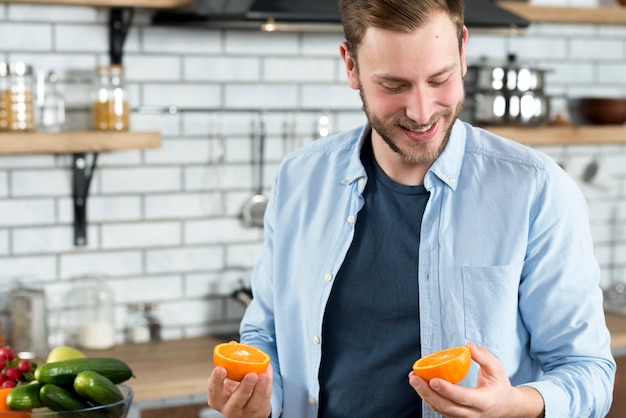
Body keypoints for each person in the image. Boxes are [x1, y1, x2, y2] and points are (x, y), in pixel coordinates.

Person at [207, 0, 616, 416]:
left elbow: (589, 371)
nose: (422, 112)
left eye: (440, 79)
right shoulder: (300, 179)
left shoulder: (537, 190)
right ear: (351, 67)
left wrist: (514, 405)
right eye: (394, 86)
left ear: (462, 53)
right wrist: (261, 401)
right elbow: (264, 334)